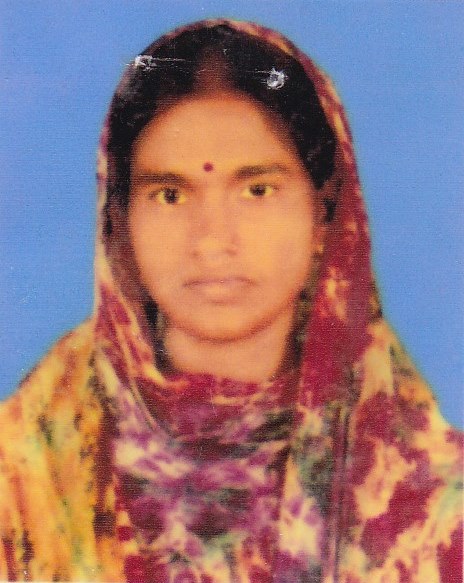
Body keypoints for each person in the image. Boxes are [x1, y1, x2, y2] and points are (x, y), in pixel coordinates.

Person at [0, 19, 461, 583]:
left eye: (257, 190)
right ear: (118, 219)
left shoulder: (427, 493)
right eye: (170, 195)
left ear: (325, 212)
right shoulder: (26, 469)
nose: (213, 241)